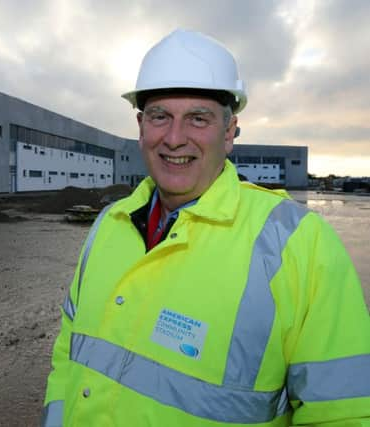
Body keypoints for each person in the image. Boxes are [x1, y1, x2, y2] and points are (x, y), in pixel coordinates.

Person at [41, 29, 370, 426]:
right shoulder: (108, 225)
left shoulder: (299, 244)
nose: (175, 139)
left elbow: (344, 412)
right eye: (160, 116)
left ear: (229, 132)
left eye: (198, 118)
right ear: (141, 127)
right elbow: (68, 350)